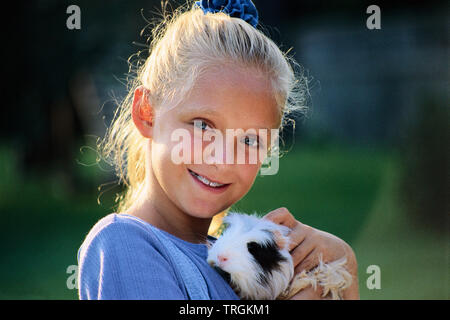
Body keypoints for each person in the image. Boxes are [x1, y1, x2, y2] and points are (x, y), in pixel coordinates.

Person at [77, 0, 359, 300]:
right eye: (202, 125)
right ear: (147, 112)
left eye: (250, 140)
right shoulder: (123, 244)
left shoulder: (244, 262)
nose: (223, 159)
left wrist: (343, 271)